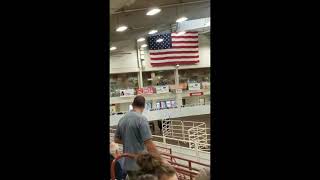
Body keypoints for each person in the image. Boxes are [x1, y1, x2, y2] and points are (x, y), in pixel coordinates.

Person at [115, 95, 161, 180]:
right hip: (141, 164)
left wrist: (128, 140)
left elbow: (116, 139)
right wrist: (160, 160)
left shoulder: (122, 119)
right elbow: (149, 143)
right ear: (144, 106)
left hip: (128, 163)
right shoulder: (141, 119)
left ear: (132, 105)